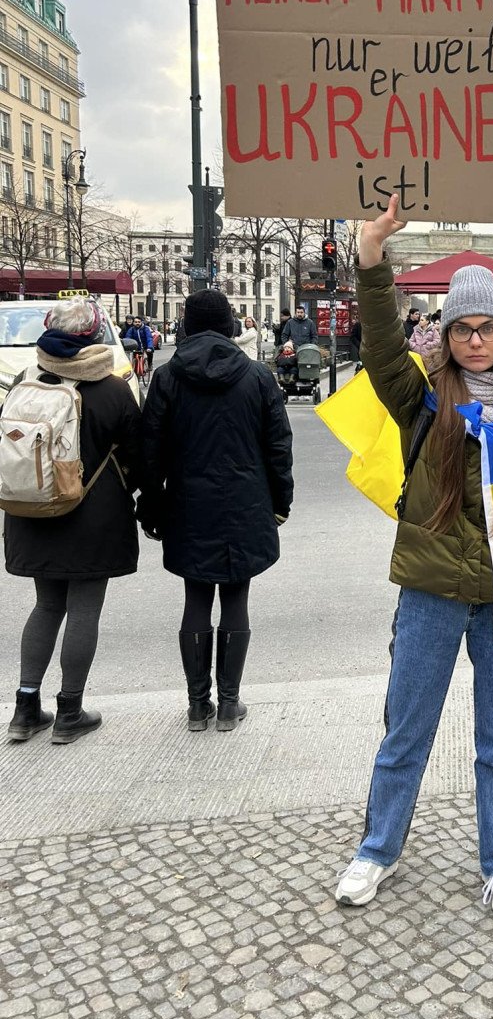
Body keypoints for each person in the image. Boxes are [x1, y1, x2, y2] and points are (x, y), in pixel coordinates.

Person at [334, 197, 493, 919]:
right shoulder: (423, 398)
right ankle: (377, 849)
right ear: (448, 332)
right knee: (406, 731)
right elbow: (379, 347)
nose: (474, 339)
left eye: (486, 327)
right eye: (462, 328)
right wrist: (372, 257)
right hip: (430, 590)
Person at [138, 290, 294, 733]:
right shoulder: (257, 376)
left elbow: (149, 451)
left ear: (187, 326)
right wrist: (280, 502)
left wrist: (151, 506)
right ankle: (228, 704)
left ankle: (196, 706)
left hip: (188, 503)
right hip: (246, 502)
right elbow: (278, 447)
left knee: (196, 597)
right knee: (236, 597)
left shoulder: (167, 378)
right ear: (230, 326)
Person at [4, 298, 142, 745]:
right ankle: (69, 711)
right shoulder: (112, 389)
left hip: (32, 509)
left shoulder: (25, 380)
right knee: (84, 609)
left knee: (46, 606)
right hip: (92, 516)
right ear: (95, 336)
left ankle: (25, 709)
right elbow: (139, 456)